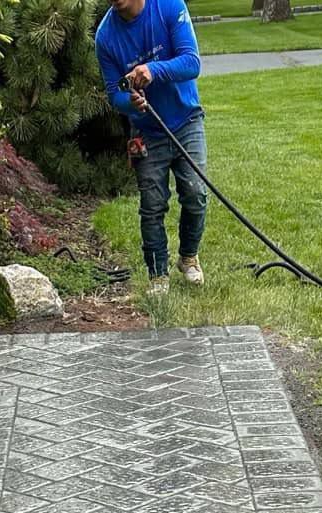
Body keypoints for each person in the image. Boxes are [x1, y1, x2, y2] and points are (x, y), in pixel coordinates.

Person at [95, 0, 207, 296]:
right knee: (152, 205)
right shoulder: (105, 36)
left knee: (196, 193)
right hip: (147, 131)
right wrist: (130, 101)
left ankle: (188, 257)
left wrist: (154, 69)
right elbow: (114, 94)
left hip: (186, 119)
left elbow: (192, 62)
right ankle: (158, 275)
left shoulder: (168, 6)